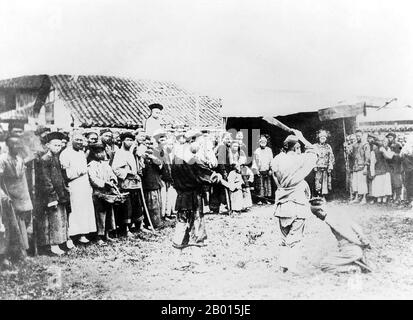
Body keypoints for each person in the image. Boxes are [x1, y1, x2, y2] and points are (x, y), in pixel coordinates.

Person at [271, 129, 317, 273]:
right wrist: (302, 137)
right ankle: (292, 267)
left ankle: (283, 266)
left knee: (285, 237)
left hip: (282, 204)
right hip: (297, 203)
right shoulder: (301, 159)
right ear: (296, 148)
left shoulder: (277, 159)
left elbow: (274, 175)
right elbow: (314, 151)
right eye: (299, 147)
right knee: (295, 237)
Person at [170, 129, 222, 249]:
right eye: (199, 143)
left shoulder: (176, 158)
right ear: (191, 141)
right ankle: (197, 262)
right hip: (193, 198)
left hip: (181, 198)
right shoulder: (193, 160)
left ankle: (176, 261)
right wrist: (216, 176)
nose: (199, 146)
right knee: (196, 229)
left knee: (181, 226)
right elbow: (205, 174)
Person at [309, 197, 372, 273]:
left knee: (325, 265)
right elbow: (355, 226)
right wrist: (364, 242)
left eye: (316, 214)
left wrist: (361, 244)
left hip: (351, 250)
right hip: (355, 249)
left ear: (321, 211)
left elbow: (345, 234)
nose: (317, 217)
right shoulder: (337, 213)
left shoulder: (330, 219)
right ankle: (357, 261)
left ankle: (351, 269)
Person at [0, 136, 33, 265]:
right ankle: (5, 256)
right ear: (8, 146)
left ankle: (21, 252)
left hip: (19, 196)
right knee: (8, 226)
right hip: (6, 196)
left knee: (20, 225)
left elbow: (22, 180)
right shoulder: (2, 159)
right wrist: (3, 195)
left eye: (19, 144)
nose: (17, 147)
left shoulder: (19, 159)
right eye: (14, 145)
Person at [37, 132, 71, 256]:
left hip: (60, 193)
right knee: (52, 220)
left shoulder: (57, 157)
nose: (57, 147)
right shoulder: (45, 159)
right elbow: (46, 180)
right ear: (48, 145)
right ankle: (53, 245)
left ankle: (61, 241)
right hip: (51, 195)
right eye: (55, 145)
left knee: (60, 219)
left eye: (59, 145)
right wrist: (52, 196)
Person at [60, 131, 96, 245]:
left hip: (84, 185)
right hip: (74, 185)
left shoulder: (81, 153)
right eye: (77, 140)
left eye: (81, 140)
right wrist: (80, 172)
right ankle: (72, 235)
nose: (79, 142)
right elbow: (66, 174)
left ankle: (83, 234)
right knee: (75, 210)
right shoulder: (65, 153)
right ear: (71, 140)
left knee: (85, 209)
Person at [112, 131, 144, 236]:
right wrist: (129, 173)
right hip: (125, 183)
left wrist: (137, 174)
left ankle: (139, 226)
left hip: (134, 183)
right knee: (127, 206)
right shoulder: (119, 153)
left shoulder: (130, 153)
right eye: (127, 140)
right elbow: (115, 169)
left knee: (137, 204)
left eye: (131, 140)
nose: (129, 142)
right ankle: (125, 229)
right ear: (122, 141)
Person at [87, 142, 118, 245]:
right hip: (98, 193)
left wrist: (113, 180)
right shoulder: (91, 165)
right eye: (98, 152)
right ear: (94, 154)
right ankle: (98, 236)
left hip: (107, 192)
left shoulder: (105, 164)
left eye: (102, 152)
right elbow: (93, 179)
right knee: (100, 215)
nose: (101, 154)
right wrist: (104, 183)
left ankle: (107, 234)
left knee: (109, 213)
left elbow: (111, 173)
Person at [141, 134, 164, 229]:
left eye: (150, 143)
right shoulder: (141, 154)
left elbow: (160, 163)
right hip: (148, 183)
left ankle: (157, 222)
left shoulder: (155, 153)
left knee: (157, 204)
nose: (148, 145)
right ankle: (150, 223)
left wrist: (152, 157)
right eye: (146, 143)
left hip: (155, 181)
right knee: (151, 204)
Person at [210, 132, 232, 214]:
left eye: (229, 138)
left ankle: (215, 207)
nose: (229, 140)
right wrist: (224, 172)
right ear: (223, 139)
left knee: (217, 189)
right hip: (221, 171)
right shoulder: (222, 147)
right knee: (221, 189)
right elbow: (221, 161)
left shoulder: (223, 147)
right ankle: (221, 206)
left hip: (219, 171)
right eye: (227, 138)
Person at [369, 137, 393, 205]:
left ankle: (384, 199)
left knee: (385, 185)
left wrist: (384, 151)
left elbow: (389, 157)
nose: (385, 143)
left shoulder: (387, 149)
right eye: (383, 142)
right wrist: (372, 172)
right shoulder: (374, 151)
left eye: (386, 142)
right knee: (378, 184)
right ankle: (379, 199)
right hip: (378, 170)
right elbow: (372, 162)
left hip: (386, 169)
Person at [348, 130, 370, 204]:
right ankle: (357, 197)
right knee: (356, 183)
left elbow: (367, 157)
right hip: (355, 166)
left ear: (362, 136)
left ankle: (364, 198)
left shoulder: (366, 145)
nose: (358, 137)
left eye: (359, 136)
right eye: (357, 136)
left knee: (363, 183)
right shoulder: (354, 145)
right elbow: (353, 156)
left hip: (362, 166)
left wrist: (366, 167)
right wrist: (349, 151)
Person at [252, 135, 273, 204]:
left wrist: (270, 169)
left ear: (266, 142)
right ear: (259, 142)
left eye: (264, 141)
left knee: (267, 185)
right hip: (260, 170)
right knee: (260, 185)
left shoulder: (269, 150)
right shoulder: (257, 151)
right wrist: (256, 170)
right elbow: (254, 161)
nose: (263, 143)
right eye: (261, 141)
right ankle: (260, 200)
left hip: (267, 170)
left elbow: (271, 160)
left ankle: (266, 199)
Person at [314, 130, 335, 198]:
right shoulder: (315, 146)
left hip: (326, 166)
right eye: (321, 138)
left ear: (326, 139)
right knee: (318, 180)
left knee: (325, 181)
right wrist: (314, 166)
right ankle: (318, 194)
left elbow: (331, 157)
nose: (322, 139)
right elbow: (313, 156)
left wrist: (330, 166)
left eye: (324, 138)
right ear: (319, 138)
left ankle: (323, 196)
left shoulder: (328, 147)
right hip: (318, 166)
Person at [386, 132, 403, 206]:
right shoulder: (388, 145)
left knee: (397, 182)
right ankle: (392, 197)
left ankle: (398, 198)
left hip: (396, 166)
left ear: (394, 138)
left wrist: (394, 154)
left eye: (391, 137)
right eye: (388, 137)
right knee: (391, 182)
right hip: (390, 166)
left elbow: (401, 154)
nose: (389, 139)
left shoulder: (398, 145)